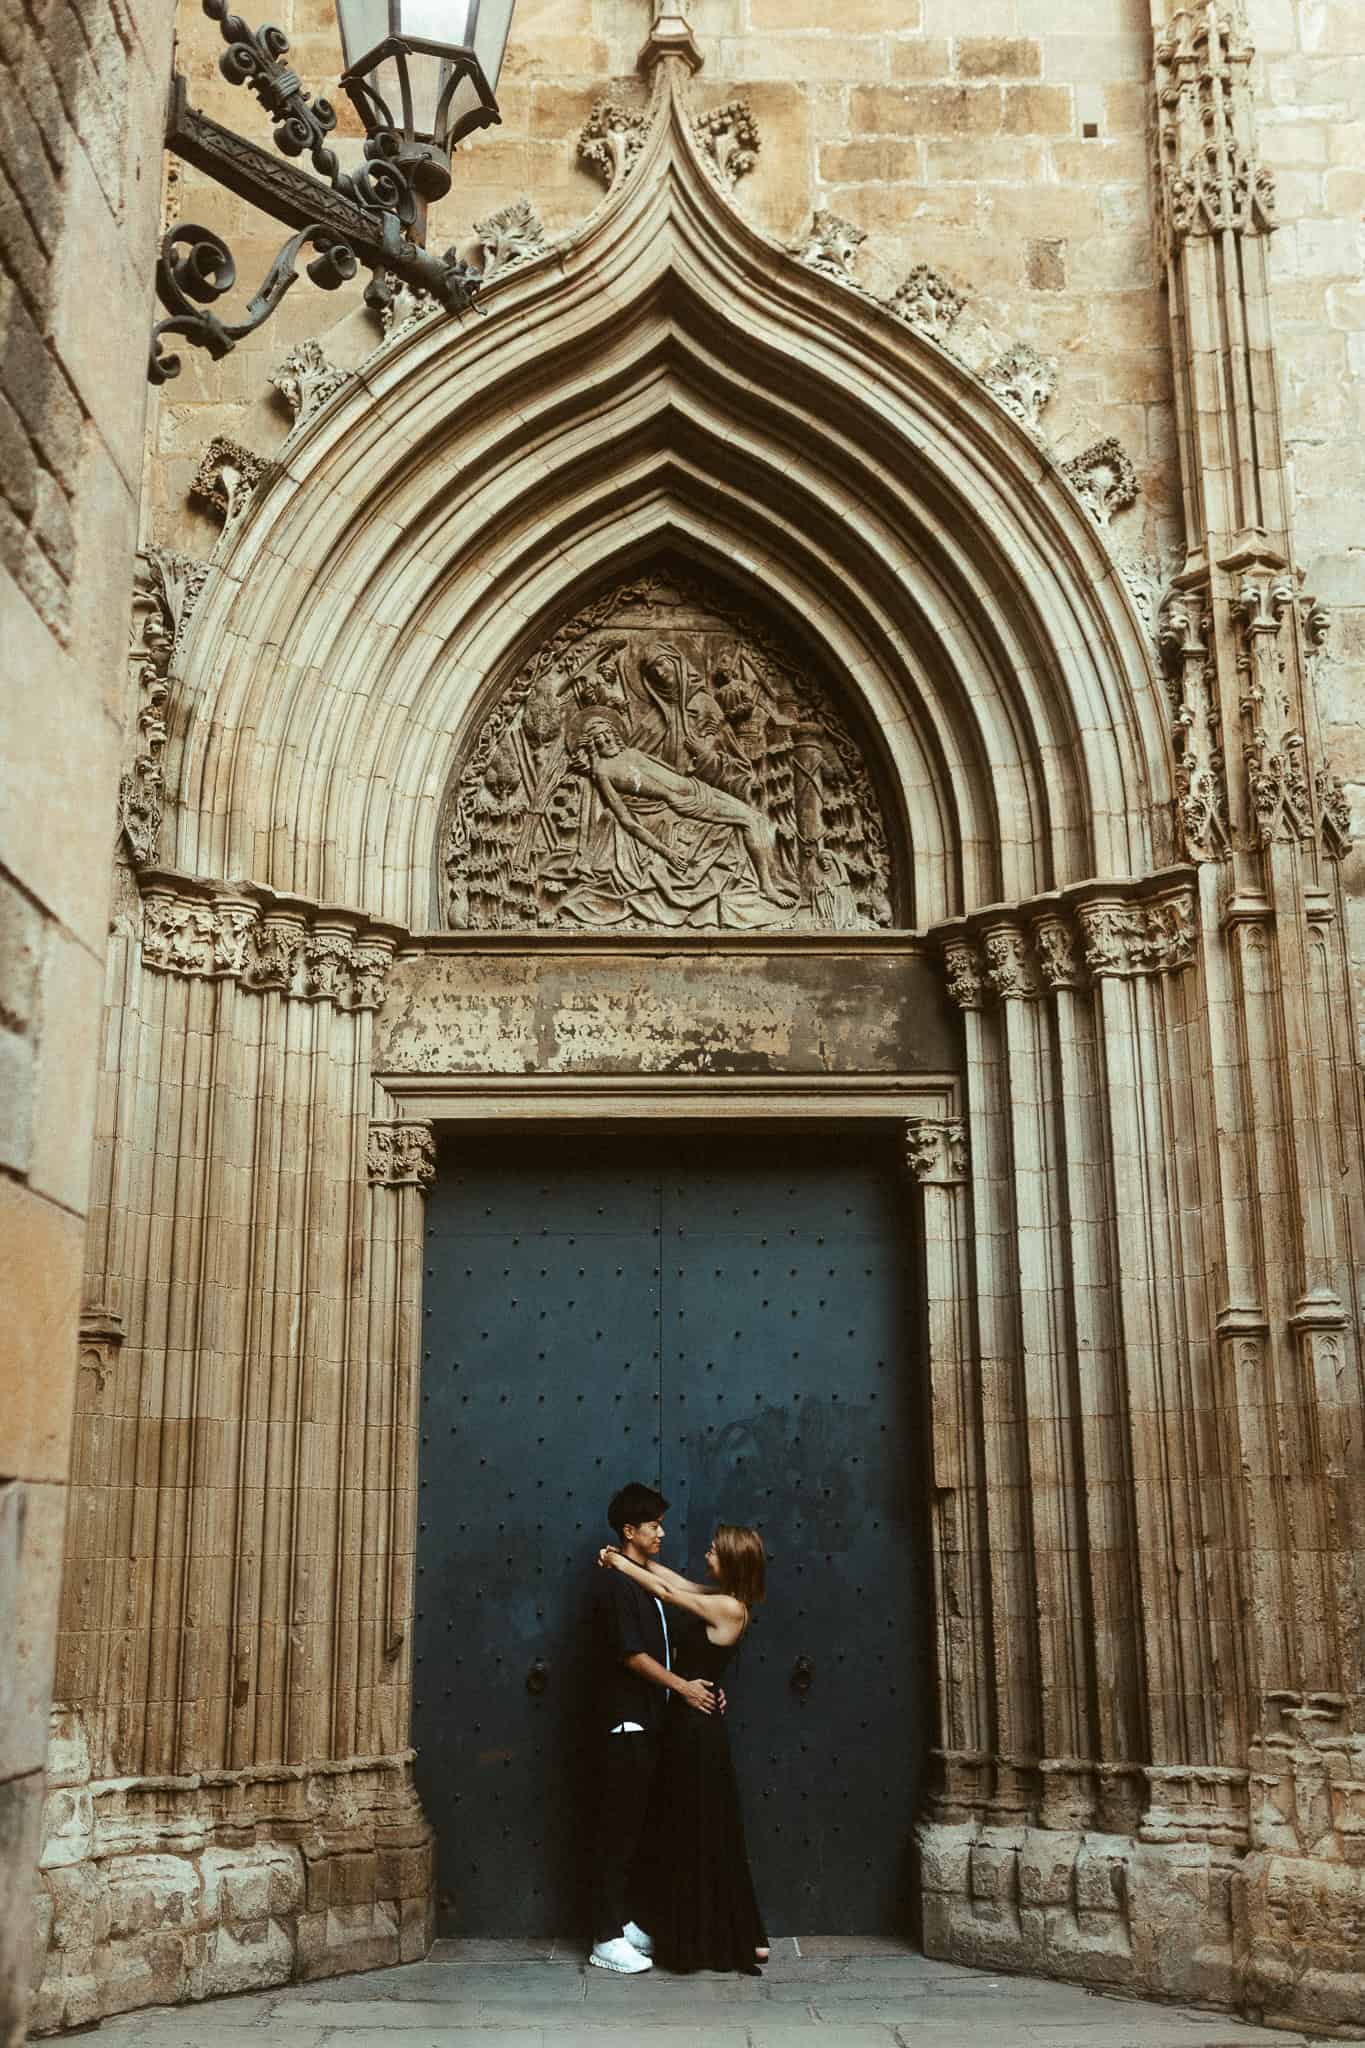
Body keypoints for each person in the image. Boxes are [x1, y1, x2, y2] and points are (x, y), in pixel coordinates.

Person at [598, 1523, 770, 1975]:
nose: (707, 1550)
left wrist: (618, 1563)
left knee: (697, 1827)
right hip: (692, 1724)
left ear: (732, 1560)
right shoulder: (720, 1596)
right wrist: (631, 1556)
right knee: (701, 1825)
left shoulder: (730, 1607)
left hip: (697, 1733)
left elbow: (668, 1595)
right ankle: (744, 1934)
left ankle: (715, 1935)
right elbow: (673, 1581)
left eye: (715, 1549)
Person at [588, 1482, 720, 1976]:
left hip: (647, 1722)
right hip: (625, 1724)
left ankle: (619, 1922)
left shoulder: (636, 1577)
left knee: (634, 1827)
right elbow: (632, 1656)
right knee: (615, 1830)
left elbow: (673, 1593)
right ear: (629, 1531)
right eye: (653, 1525)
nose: (661, 1532)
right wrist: (684, 1689)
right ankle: (604, 1937)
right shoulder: (615, 1585)